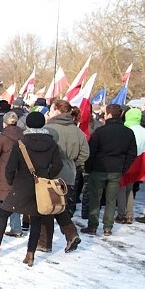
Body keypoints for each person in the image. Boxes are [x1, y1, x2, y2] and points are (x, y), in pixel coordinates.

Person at [0, 112, 78, 267]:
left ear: (28, 125)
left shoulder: (21, 143)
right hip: (42, 185)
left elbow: (11, 168)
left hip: (21, 185)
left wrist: (11, 181)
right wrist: (45, 176)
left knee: (4, 213)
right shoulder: (52, 144)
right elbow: (58, 164)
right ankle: (30, 254)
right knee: (36, 219)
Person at [40, 99, 90, 251]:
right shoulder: (77, 131)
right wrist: (73, 164)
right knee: (60, 206)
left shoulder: (48, 128)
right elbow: (85, 154)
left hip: (50, 172)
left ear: (56, 110)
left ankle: (44, 242)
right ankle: (71, 234)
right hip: (69, 173)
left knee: (47, 207)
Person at [81, 103, 137, 236]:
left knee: (95, 198)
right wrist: (123, 167)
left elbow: (92, 152)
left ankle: (93, 225)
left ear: (109, 114)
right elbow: (132, 153)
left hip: (99, 169)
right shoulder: (128, 132)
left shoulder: (100, 132)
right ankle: (107, 227)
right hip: (115, 170)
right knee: (111, 200)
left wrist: (88, 168)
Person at [0, 111, 24, 237]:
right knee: (10, 197)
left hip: (4, 171)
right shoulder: (23, 136)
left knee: (7, 198)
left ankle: (16, 227)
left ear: (4, 123)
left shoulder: (1, 138)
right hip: (20, 171)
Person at [116, 107, 145, 224]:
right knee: (130, 190)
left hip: (125, 162)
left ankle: (121, 214)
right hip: (137, 163)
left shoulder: (125, 129)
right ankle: (129, 214)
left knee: (121, 188)